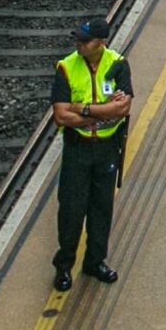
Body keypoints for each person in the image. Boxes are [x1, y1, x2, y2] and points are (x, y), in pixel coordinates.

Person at [48, 18, 133, 291]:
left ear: (102, 42)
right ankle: (64, 265)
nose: (79, 45)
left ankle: (95, 261)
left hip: (107, 148)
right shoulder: (66, 67)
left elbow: (122, 110)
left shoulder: (118, 64)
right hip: (77, 149)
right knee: (71, 210)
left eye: (85, 41)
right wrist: (101, 111)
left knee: (101, 208)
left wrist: (82, 110)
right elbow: (61, 116)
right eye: (78, 40)